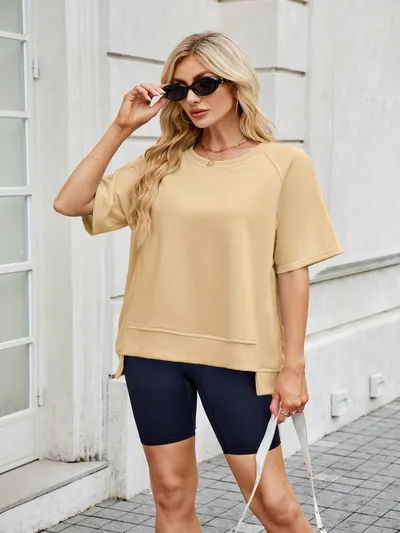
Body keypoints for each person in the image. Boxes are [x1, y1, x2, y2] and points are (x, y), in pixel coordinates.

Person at [54, 31, 343, 533]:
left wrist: (293, 365)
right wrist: (121, 128)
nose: (191, 98)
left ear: (236, 84)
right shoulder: (158, 164)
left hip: (241, 355)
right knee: (169, 495)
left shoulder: (284, 164)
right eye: (178, 88)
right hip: (152, 351)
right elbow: (71, 202)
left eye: (205, 84)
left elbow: (293, 269)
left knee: (274, 504)